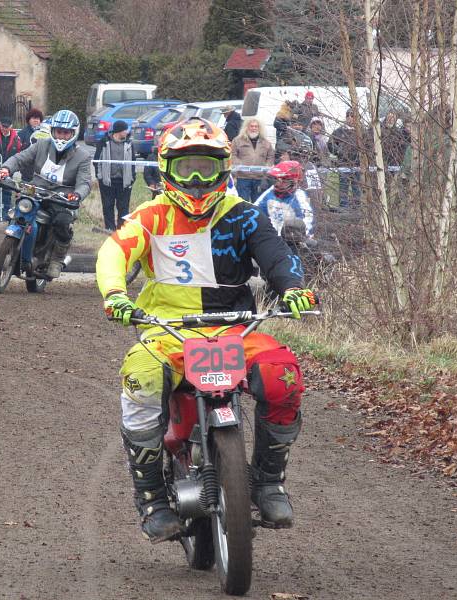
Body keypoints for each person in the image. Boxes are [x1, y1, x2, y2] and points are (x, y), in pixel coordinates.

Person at [95, 117, 316, 542]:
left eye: (206, 167)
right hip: (167, 332)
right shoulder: (149, 216)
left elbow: (276, 255)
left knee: (282, 373)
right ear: (166, 168)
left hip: (237, 329)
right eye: (186, 168)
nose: (196, 179)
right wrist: (116, 295)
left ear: (223, 168)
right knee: (139, 380)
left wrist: (293, 289)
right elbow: (113, 254)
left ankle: (269, 481)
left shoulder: (244, 215)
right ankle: (152, 498)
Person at [0, 109, 91, 278]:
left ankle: (56, 259)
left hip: (62, 198)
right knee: (20, 209)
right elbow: (20, 158)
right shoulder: (41, 145)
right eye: (58, 132)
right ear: (52, 131)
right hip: (36, 190)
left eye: (65, 133)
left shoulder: (82, 156)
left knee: (62, 222)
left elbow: (84, 182)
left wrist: (77, 195)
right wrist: (5, 169)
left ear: (73, 133)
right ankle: (8, 247)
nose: (61, 136)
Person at [255, 160, 314, 240]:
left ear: (294, 182)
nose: (278, 183)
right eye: (277, 180)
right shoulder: (270, 192)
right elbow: (255, 210)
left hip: (290, 239)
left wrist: (305, 235)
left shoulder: (299, 196)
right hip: (270, 236)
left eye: (283, 181)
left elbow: (308, 219)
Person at [94, 119, 135, 231]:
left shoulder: (129, 144)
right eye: (125, 130)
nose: (127, 132)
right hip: (107, 181)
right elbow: (97, 160)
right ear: (118, 131)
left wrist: (132, 178)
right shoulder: (104, 142)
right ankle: (109, 229)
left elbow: (133, 162)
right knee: (108, 206)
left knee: (123, 207)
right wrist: (100, 177)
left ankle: (122, 230)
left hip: (124, 181)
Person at [231, 117, 274, 202]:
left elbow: (270, 156)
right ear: (247, 127)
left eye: (256, 126)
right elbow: (233, 154)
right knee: (243, 202)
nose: (254, 128)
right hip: (243, 177)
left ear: (259, 128)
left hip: (259, 178)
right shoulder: (237, 141)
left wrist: (267, 167)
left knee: (257, 202)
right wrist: (239, 164)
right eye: (251, 126)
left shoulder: (266, 142)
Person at [328, 109, 362, 208]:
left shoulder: (361, 132)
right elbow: (330, 144)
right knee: (343, 187)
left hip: (357, 164)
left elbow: (368, 145)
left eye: (353, 117)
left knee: (356, 188)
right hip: (343, 164)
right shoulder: (339, 131)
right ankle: (344, 207)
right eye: (349, 116)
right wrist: (339, 151)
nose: (351, 119)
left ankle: (357, 208)